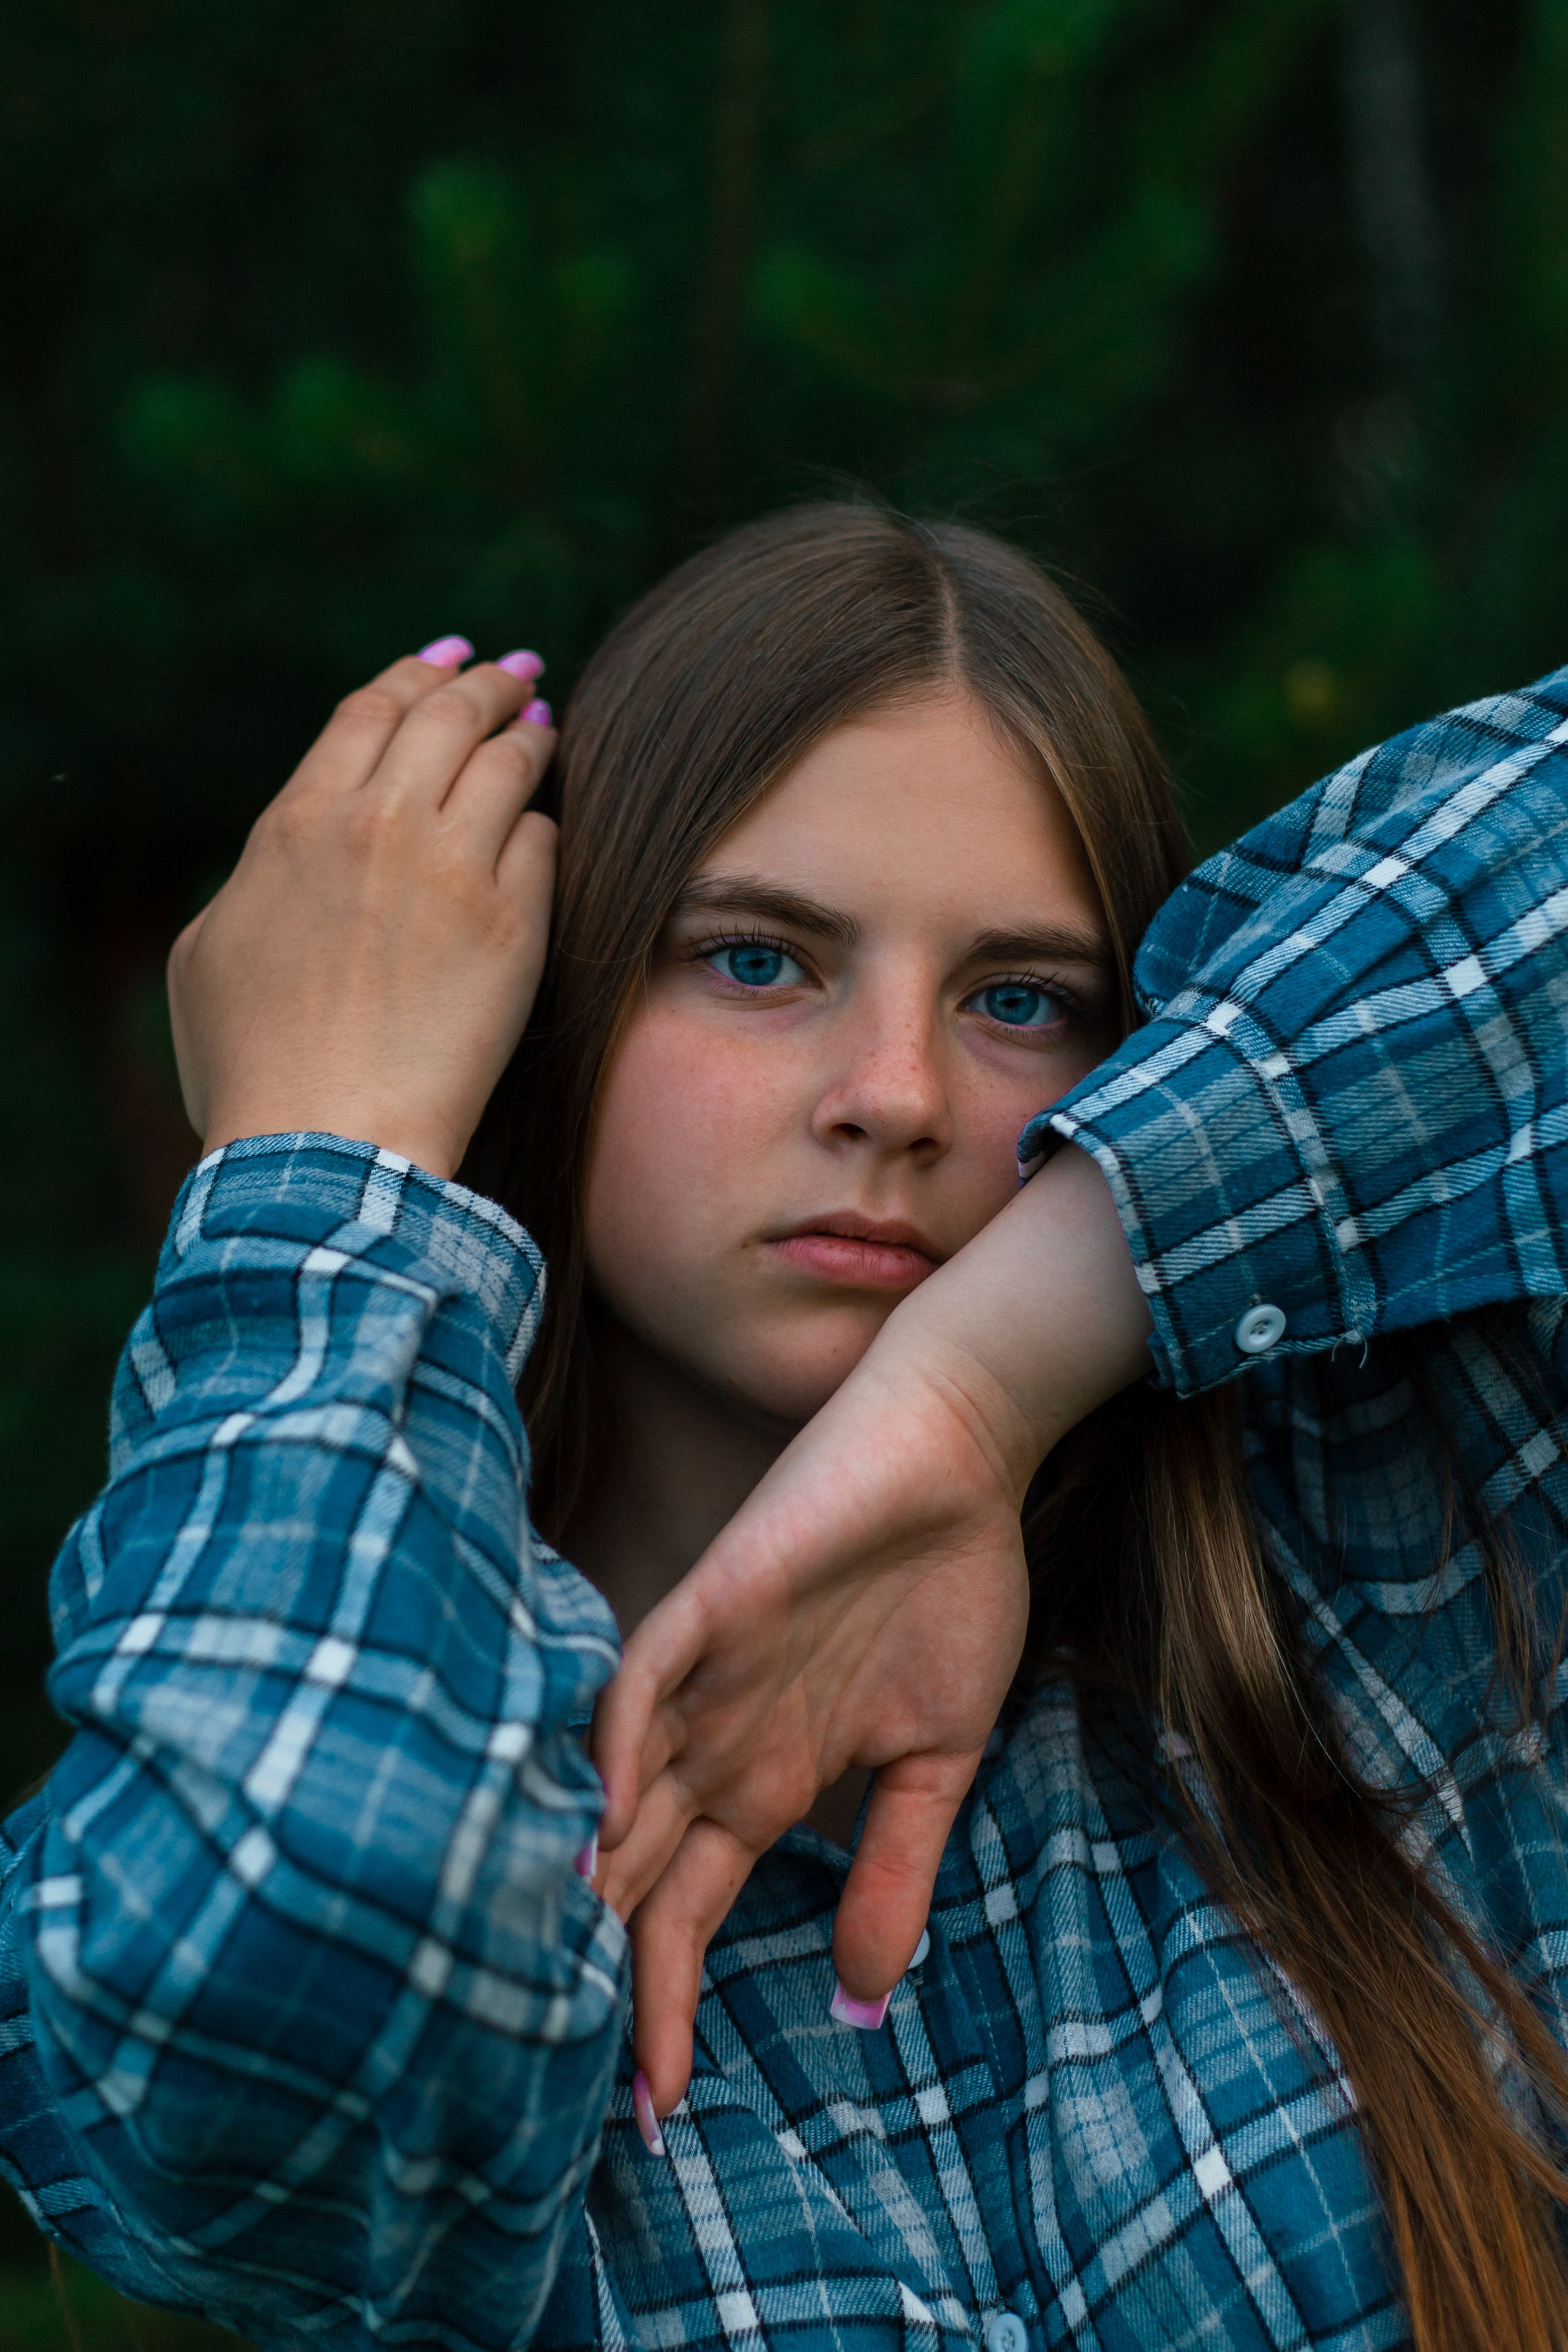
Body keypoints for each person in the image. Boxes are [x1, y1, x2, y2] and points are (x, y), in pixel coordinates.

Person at [1, 503, 1566, 2352]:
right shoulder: (483, 1900)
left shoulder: (1385, 1564)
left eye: (1019, 1000)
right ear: (543, 1017)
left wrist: (986, 1372)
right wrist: (324, 1158)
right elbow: (291, 1920)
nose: (896, 1096)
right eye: (757, 959)